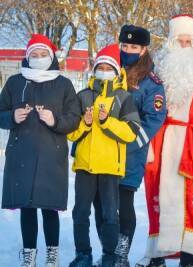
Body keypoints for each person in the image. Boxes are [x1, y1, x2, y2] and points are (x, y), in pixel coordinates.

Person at [136, 14, 193, 267]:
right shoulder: (157, 72)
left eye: (189, 41)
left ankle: (188, 257)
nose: (185, 45)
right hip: (162, 141)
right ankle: (158, 254)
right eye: (180, 40)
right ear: (171, 42)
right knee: (158, 199)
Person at [0, 34, 80, 267]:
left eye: (42, 54)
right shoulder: (15, 82)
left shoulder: (63, 84)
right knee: (27, 207)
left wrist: (55, 120)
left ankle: (52, 254)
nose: (37, 58)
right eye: (33, 54)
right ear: (27, 57)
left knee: (49, 206)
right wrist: (11, 117)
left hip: (51, 155)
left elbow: (73, 119)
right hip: (21, 153)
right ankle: (29, 254)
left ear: (51, 56)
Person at [93, 25, 166, 267]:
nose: (128, 50)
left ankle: (121, 255)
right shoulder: (110, 69)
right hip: (102, 152)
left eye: (134, 47)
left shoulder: (151, 83)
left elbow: (154, 119)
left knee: (123, 205)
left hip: (130, 153)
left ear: (144, 49)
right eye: (124, 46)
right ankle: (108, 253)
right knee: (101, 205)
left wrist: (130, 142)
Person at [67, 44, 141, 267]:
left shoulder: (123, 98)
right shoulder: (83, 96)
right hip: (85, 166)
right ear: (94, 69)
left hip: (110, 167)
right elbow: (71, 133)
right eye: (101, 66)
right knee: (80, 213)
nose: (104, 70)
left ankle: (109, 256)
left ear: (116, 72)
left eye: (109, 67)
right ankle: (83, 255)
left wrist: (106, 121)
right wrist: (86, 124)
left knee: (110, 215)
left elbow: (131, 132)